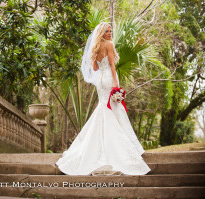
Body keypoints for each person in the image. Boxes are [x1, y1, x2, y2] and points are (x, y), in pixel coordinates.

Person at [55, 22, 151, 176]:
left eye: (110, 31)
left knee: (104, 109)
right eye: (107, 31)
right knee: (113, 110)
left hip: (100, 81)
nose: (110, 33)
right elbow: (112, 66)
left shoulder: (95, 46)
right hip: (109, 80)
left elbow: (94, 68)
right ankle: (122, 148)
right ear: (102, 33)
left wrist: (99, 61)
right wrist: (116, 84)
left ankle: (99, 145)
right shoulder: (109, 45)